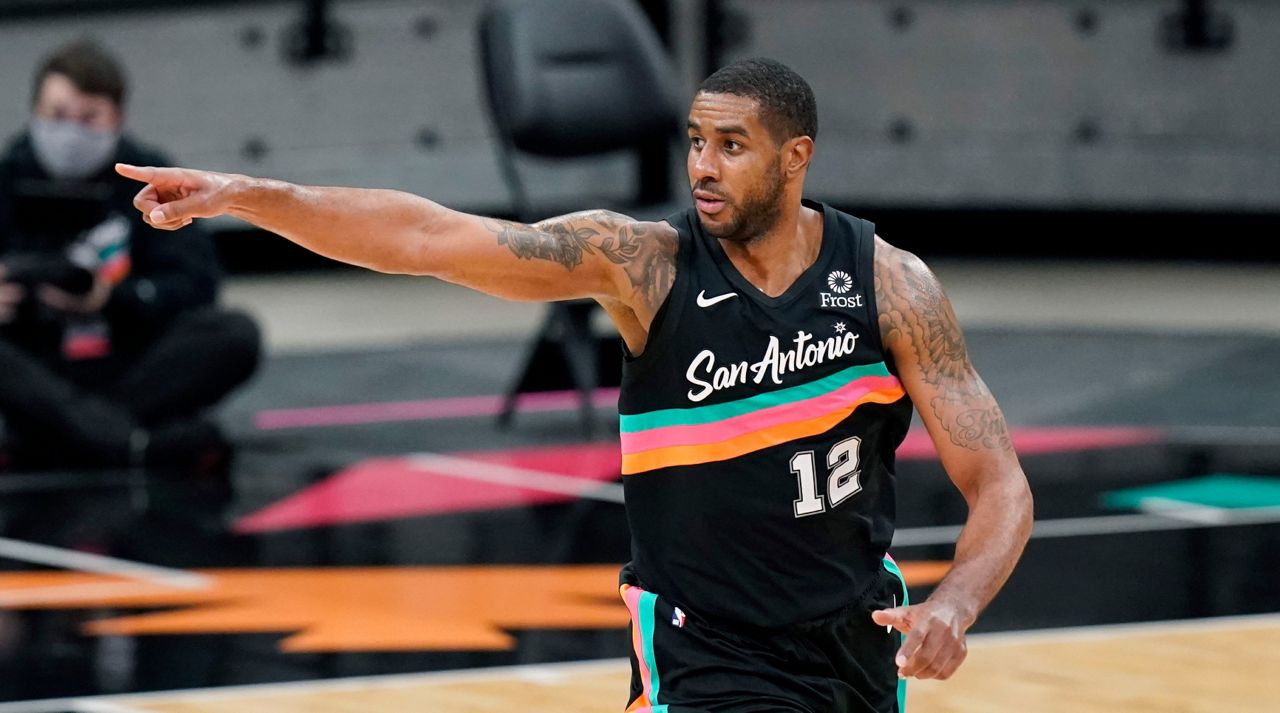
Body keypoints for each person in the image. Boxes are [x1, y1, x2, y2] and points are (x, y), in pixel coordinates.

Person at [118, 57, 1033, 712]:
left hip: (856, 642)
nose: (703, 168)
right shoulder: (646, 265)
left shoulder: (888, 284)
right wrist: (247, 194)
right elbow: (430, 238)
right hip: (704, 644)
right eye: (695, 143)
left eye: (732, 146)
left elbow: (998, 482)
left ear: (795, 159)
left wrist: (953, 602)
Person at [0, 39, 261, 472]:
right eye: (59, 116)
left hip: (128, 363)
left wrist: (111, 297)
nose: (71, 132)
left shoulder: (151, 174)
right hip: (39, 366)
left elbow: (198, 286)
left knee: (234, 333)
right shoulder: (7, 178)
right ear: (34, 112)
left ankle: (75, 436)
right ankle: (127, 442)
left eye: (89, 118)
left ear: (116, 118)